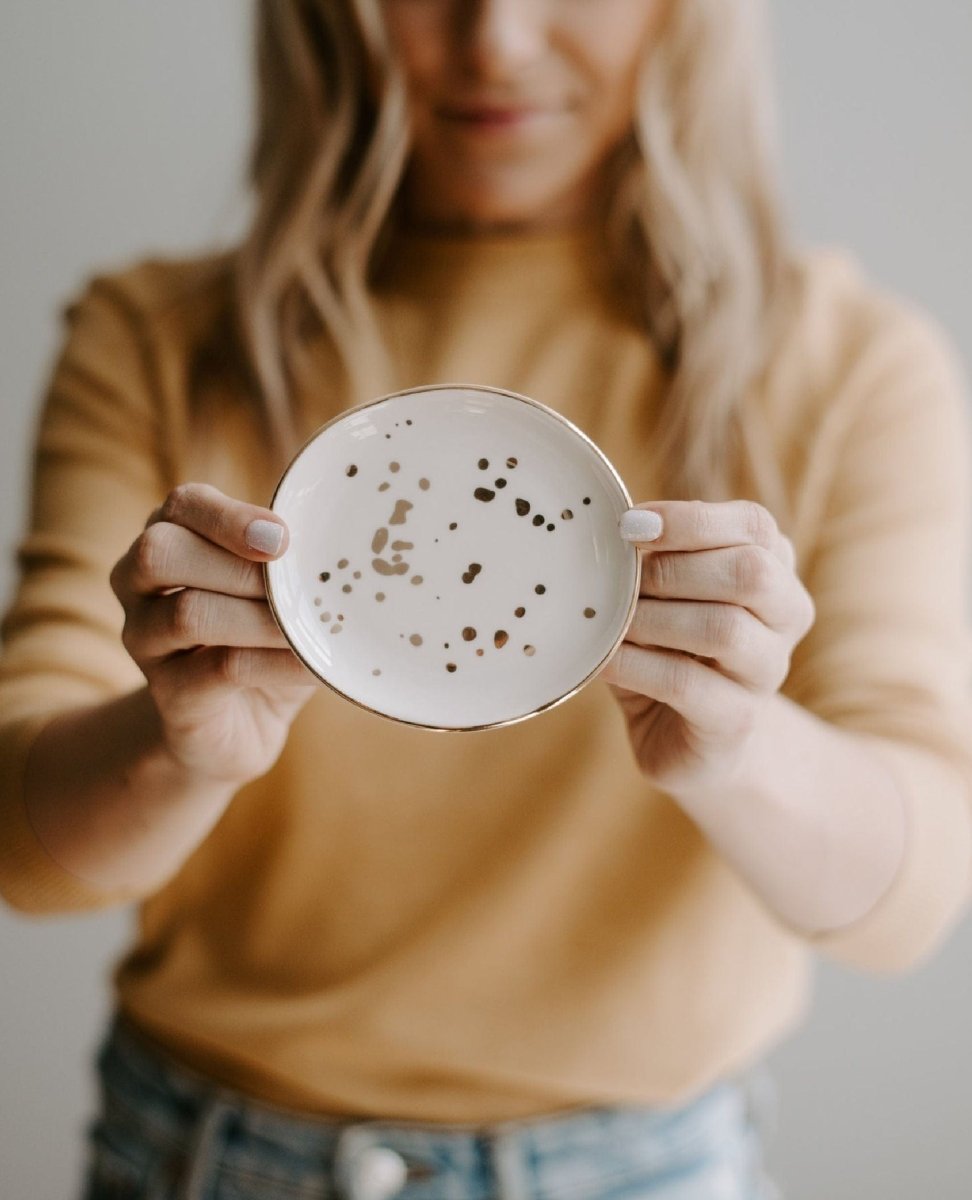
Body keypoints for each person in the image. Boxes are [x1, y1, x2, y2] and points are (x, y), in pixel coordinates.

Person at [2, 1, 971, 1197]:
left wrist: (735, 748)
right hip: (204, 1156)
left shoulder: (848, 364)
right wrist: (177, 748)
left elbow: (913, 897)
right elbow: (23, 844)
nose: (496, 41)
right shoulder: (154, 339)